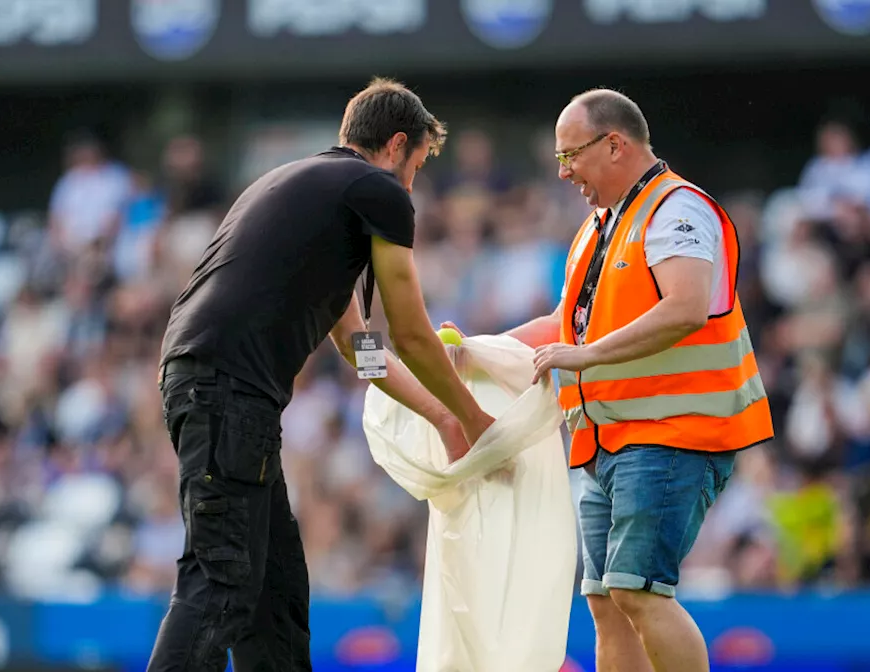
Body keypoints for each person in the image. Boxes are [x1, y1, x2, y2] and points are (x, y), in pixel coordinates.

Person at [147, 77, 496, 672]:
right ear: (394, 145)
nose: (411, 184)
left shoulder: (302, 189)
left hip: (214, 390)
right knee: (222, 584)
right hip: (229, 394)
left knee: (273, 597)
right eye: (414, 166)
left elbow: (360, 346)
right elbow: (410, 333)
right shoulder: (377, 190)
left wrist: (441, 415)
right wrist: (476, 417)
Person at [445, 89, 774, 671]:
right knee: (607, 603)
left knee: (637, 592)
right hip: (608, 441)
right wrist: (476, 351)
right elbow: (563, 325)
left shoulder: (678, 208)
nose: (564, 172)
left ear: (615, 144)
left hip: (673, 432)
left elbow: (686, 308)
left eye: (570, 156)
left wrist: (585, 355)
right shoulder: (598, 225)